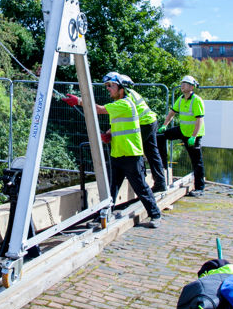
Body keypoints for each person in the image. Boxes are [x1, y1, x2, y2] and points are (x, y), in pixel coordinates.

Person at [62, 73, 162, 227]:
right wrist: (108, 134)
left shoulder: (125, 104)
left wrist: (79, 101)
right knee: (110, 189)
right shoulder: (119, 105)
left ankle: (155, 215)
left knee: (140, 186)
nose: (108, 89)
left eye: (111, 86)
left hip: (130, 154)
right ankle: (102, 217)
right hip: (118, 152)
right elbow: (119, 125)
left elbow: (98, 109)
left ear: (121, 88)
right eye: (107, 86)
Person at [117, 73, 167, 192]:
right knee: (152, 153)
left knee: (136, 150)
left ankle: (141, 181)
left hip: (145, 124)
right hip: (150, 122)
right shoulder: (132, 93)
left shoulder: (126, 97)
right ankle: (160, 183)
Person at [157, 75, 206, 196]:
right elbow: (172, 112)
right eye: (182, 83)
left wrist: (194, 137)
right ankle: (163, 164)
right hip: (183, 130)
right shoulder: (181, 98)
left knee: (196, 161)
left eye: (185, 83)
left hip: (193, 135)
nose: (182, 85)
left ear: (191, 87)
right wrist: (165, 125)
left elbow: (199, 120)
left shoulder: (196, 100)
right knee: (160, 136)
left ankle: (200, 188)